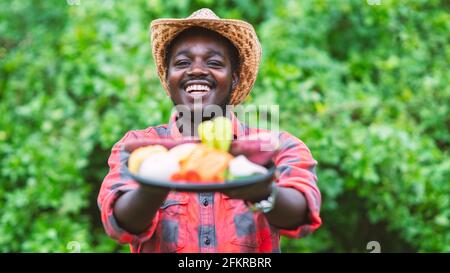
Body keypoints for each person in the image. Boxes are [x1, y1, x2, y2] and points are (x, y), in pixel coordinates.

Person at [98, 8, 322, 253]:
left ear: (234, 78)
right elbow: (118, 225)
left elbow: (302, 217)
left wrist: (263, 190)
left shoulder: (276, 147)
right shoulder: (137, 146)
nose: (196, 70)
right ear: (168, 77)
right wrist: (154, 183)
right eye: (182, 63)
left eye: (214, 63)